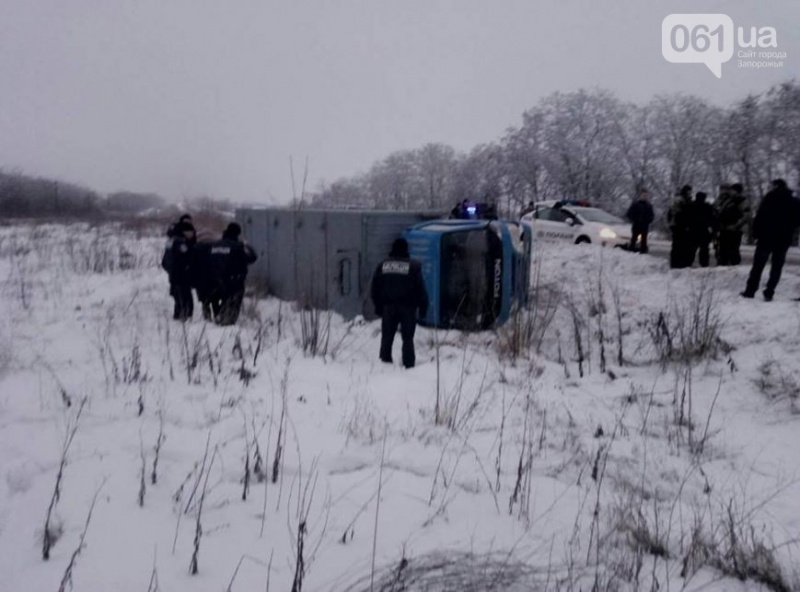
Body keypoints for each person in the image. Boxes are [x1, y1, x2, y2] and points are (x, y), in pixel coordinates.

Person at [370, 237, 429, 369]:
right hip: (408, 308)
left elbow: (375, 288)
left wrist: (378, 307)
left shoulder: (383, 265)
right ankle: (408, 365)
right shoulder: (414, 267)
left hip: (388, 307)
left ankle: (385, 364)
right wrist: (423, 309)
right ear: (406, 249)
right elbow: (421, 290)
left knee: (387, 337)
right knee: (407, 339)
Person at [741, 179, 800, 301]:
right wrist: (790, 230)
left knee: (758, 265)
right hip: (783, 238)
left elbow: (760, 216)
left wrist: (756, 233)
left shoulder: (770, 197)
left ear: (776, 186)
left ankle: (750, 290)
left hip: (766, 237)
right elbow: (797, 220)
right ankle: (769, 291)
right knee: (777, 266)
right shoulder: (794, 201)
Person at [207, 222, 258, 325]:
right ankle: (227, 324)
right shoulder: (237, 246)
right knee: (233, 304)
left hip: (216, 280)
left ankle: (218, 318)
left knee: (221, 301)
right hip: (234, 281)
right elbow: (252, 257)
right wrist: (246, 245)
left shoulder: (215, 245)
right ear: (237, 233)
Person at [161, 216, 197, 321]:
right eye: (190, 232)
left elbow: (164, 261)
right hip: (181, 274)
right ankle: (186, 317)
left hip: (173, 273)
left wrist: (170, 271)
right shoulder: (181, 243)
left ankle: (178, 316)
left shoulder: (171, 240)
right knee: (185, 296)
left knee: (178, 296)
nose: (192, 234)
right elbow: (188, 257)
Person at [716, 183, 750, 266]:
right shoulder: (727, 200)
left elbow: (746, 215)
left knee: (733, 249)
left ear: (737, 191)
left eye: (732, 190)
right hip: (724, 228)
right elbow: (719, 209)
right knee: (723, 250)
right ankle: (723, 265)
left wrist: (736, 225)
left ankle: (734, 267)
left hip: (735, 229)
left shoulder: (742, 200)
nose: (730, 192)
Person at [688, 191, 717, 268]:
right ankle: (704, 264)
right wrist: (714, 231)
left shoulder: (691, 206)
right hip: (704, 231)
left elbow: (687, 218)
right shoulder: (708, 207)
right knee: (704, 249)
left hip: (693, 231)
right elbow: (712, 219)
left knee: (692, 248)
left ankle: (688, 262)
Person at [667, 185, 693, 268]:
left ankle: (677, 264)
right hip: (680, 226)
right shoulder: (681, 200)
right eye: (689, 191)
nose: (690, 193)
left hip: (677, 226)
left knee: (678, 246)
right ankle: (678, 264)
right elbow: (684, 214)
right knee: (679, 246)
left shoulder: (679, 200)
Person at [625, 188, 655, 253]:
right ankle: (631, 250)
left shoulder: (649, 206)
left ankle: (643, 251)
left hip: (645, 225)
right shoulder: (636, 204)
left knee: (644, 239)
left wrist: (648, 220)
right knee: (634, 238)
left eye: (646, 196)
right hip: (636, 224)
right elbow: (629, 214)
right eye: (644, 195)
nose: (645, 197)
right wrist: (635, 219)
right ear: (640, 196)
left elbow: (652, 215)